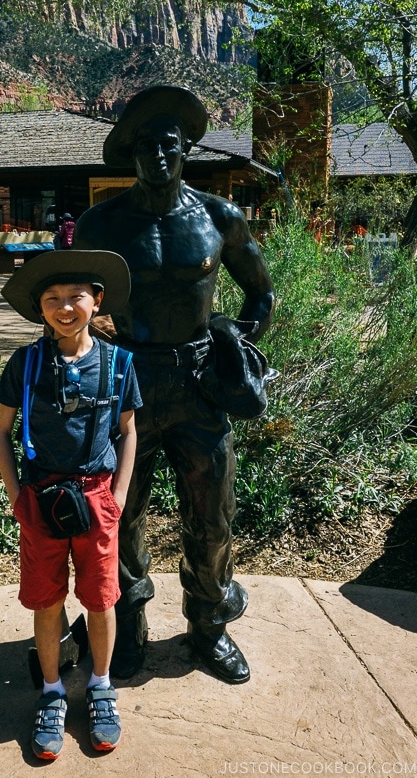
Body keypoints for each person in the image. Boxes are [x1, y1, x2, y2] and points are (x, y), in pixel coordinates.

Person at [75, 85, 275, 685]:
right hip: (127, 381)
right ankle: (127, 631)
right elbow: (71, 300)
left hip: (198, 384)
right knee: (120, 515)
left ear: (186, 148)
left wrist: (236, 344)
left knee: (213, 514)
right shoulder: (101, 222)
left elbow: (261, 292)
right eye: (145, 146)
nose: (158, 156)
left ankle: (208, 627)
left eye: (169, 144)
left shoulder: (219, 217)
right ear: (130, 153)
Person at [0, 249, 142, 760]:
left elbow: (128, 431)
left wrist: (117, 497)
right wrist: (17, 496)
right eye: (52, 299)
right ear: (39, 308)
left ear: (95, 301)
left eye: (75, 296)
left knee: (101, 598)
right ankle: (53, 691)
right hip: (39, 499)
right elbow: (1, 435)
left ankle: (100, 685)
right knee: (46, 599)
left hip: (97, 498)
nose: (64, 307)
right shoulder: (26, 362)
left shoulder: (119, 363)